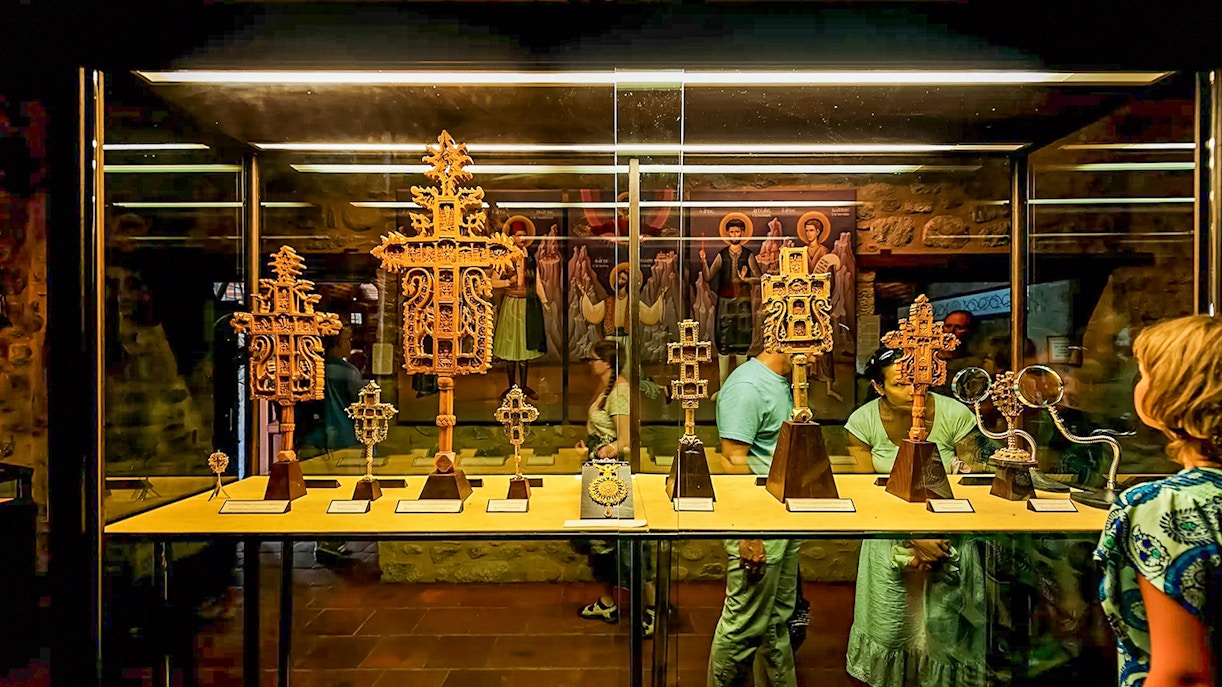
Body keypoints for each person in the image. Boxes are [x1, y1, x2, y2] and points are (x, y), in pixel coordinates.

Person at [844, 347, 988, 687]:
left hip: (947, 534)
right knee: (894, 626)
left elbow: (974, 479)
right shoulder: (862, 423)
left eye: (916, 380)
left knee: (944, 631)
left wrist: (934, 533)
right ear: (879, 387)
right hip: (888, 533)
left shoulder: (956, 415)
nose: (912, 390)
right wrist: (911, 535)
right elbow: (863, 492)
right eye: (899, 383)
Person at [1094, 315, 1222, 687]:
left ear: (1175, 392)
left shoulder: (1164, 507)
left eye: (1146, 373)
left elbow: (1183, 674)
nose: (1138, 383)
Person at [708, 348, 800, 687]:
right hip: (758, 520)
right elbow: (732, 460)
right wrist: (749, 531)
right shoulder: (747, 386)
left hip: (781, 515)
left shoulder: (783, 383)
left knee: (776, 619)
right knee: (743, 623)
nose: (819, 355)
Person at [571, 340, 657, 636]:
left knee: (629, 548)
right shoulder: (606, 389)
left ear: (606, 362)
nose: (590, 364)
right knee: (599, 544)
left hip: (613, 477)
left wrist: (601, 451)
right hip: (598, 473)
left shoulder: (619, 392)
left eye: (593, 359)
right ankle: (608, 600)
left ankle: (651, 608)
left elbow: (625, 440)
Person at [699, 216, 762, 385]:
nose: (734, 234)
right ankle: (723, 387)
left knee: (742, 338)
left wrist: (746, 279)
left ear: (742, 233)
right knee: (724, 339)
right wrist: (704, 261)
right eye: (731, 232)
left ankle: (741, 385)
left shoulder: (748, 255)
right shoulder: (722, 255)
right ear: (727, 234)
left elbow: (760, 278)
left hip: (743, 303)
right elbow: (708, 276)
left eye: (737, 231)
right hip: (725, 303)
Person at [492, 219, 550, 400]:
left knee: (525, 348)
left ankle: (523, 387)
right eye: (519, 235)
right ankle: (511, 388)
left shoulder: (530, 257)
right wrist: (506, 282)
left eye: (524, 235)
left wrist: (545, 300)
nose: (522, 238)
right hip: (511, 304)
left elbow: (538, 280)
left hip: (527, 305)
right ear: (512, 237)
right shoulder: (504, 258)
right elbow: (492, 281)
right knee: (510, 349)